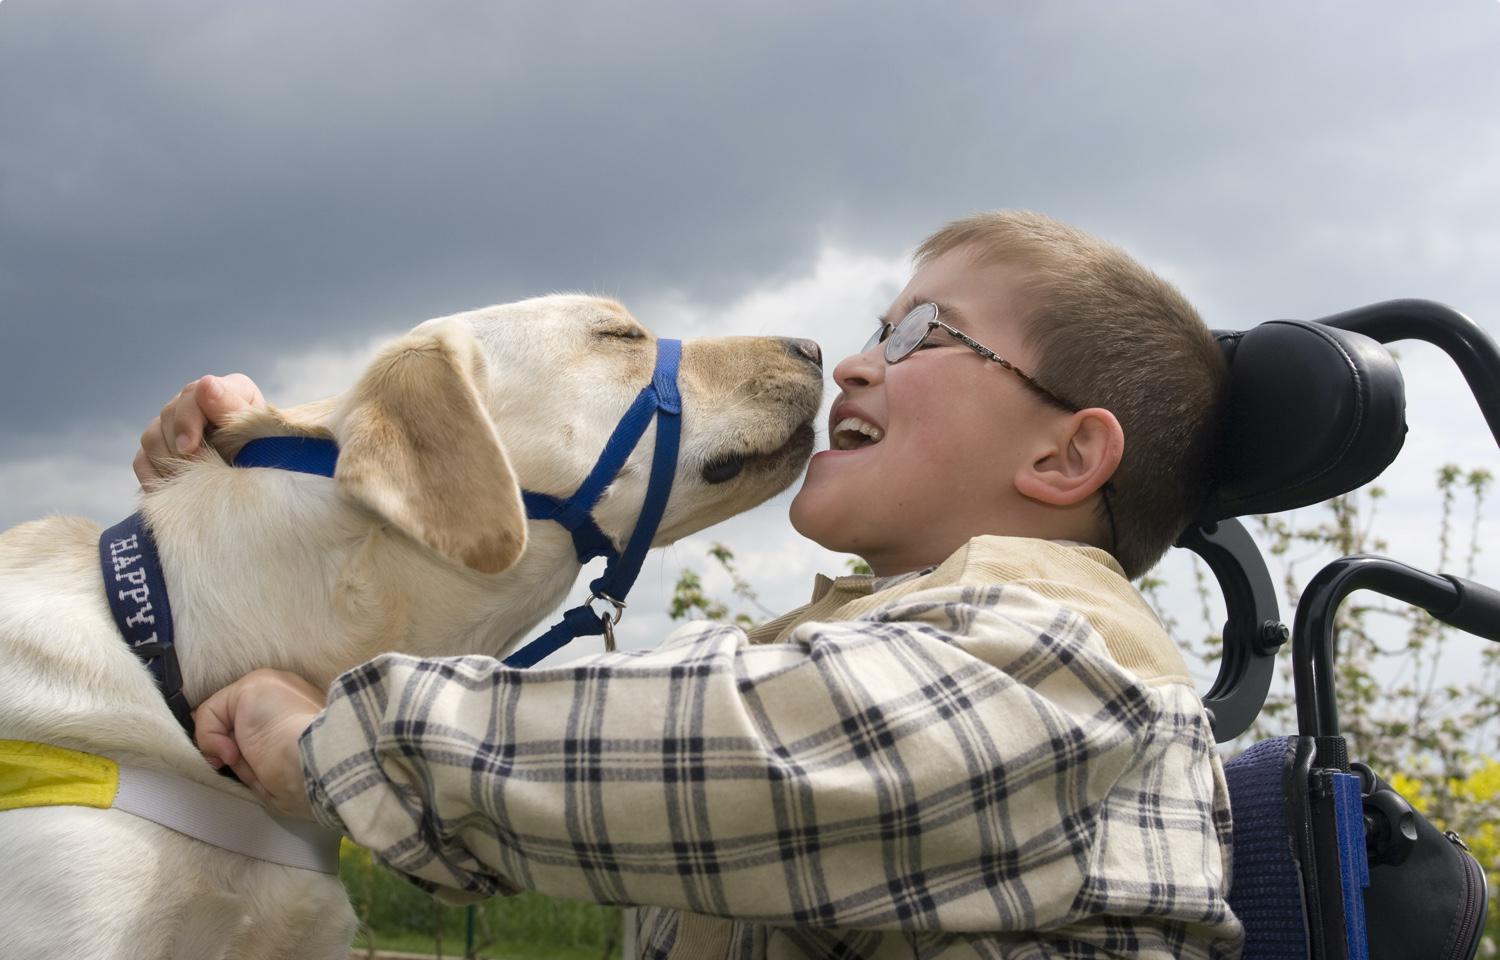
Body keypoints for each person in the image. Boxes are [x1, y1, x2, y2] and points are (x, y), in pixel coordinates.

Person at [136, 211, 1242, 959]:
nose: (854, 362)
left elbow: (737, 750)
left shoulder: (1066, 648)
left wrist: (336, 740)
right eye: (875, 328)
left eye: (919, 335)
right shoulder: (852, 641)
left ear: (1064, 459)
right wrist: (288, 482)